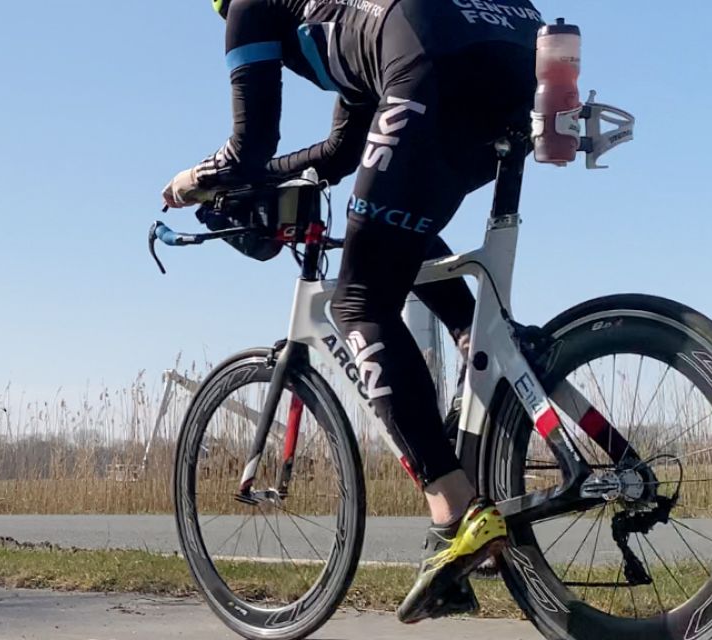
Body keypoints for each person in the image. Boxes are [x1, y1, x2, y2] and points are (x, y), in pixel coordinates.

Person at [162, 0, 542, 623]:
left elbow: (249, 146)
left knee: (358, 300)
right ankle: (485, 347)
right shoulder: (337, 16)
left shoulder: (250, 10)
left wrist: (197, 180)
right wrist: (267, 180)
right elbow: (342, 151)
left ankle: (455, 511)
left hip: (427, 57)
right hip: (518, 51)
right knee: (398, 229)